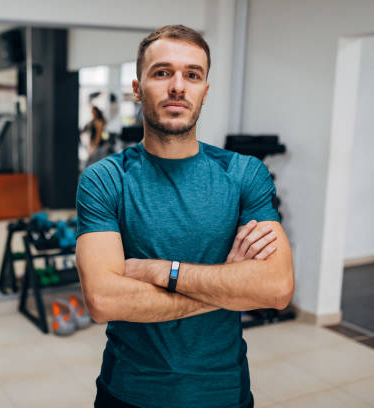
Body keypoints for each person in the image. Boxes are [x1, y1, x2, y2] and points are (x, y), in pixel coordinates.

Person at [75, 25, 294, 408]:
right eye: (162, 73)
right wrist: (232, 289)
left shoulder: (244, 173)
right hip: (128, 393)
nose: (178, 86)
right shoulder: (105, 179)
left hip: (223, 393)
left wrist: (163, 271)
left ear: (204, 91)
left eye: (192, 75)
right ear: (137, 88)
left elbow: (275, 289)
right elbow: (103, 300)